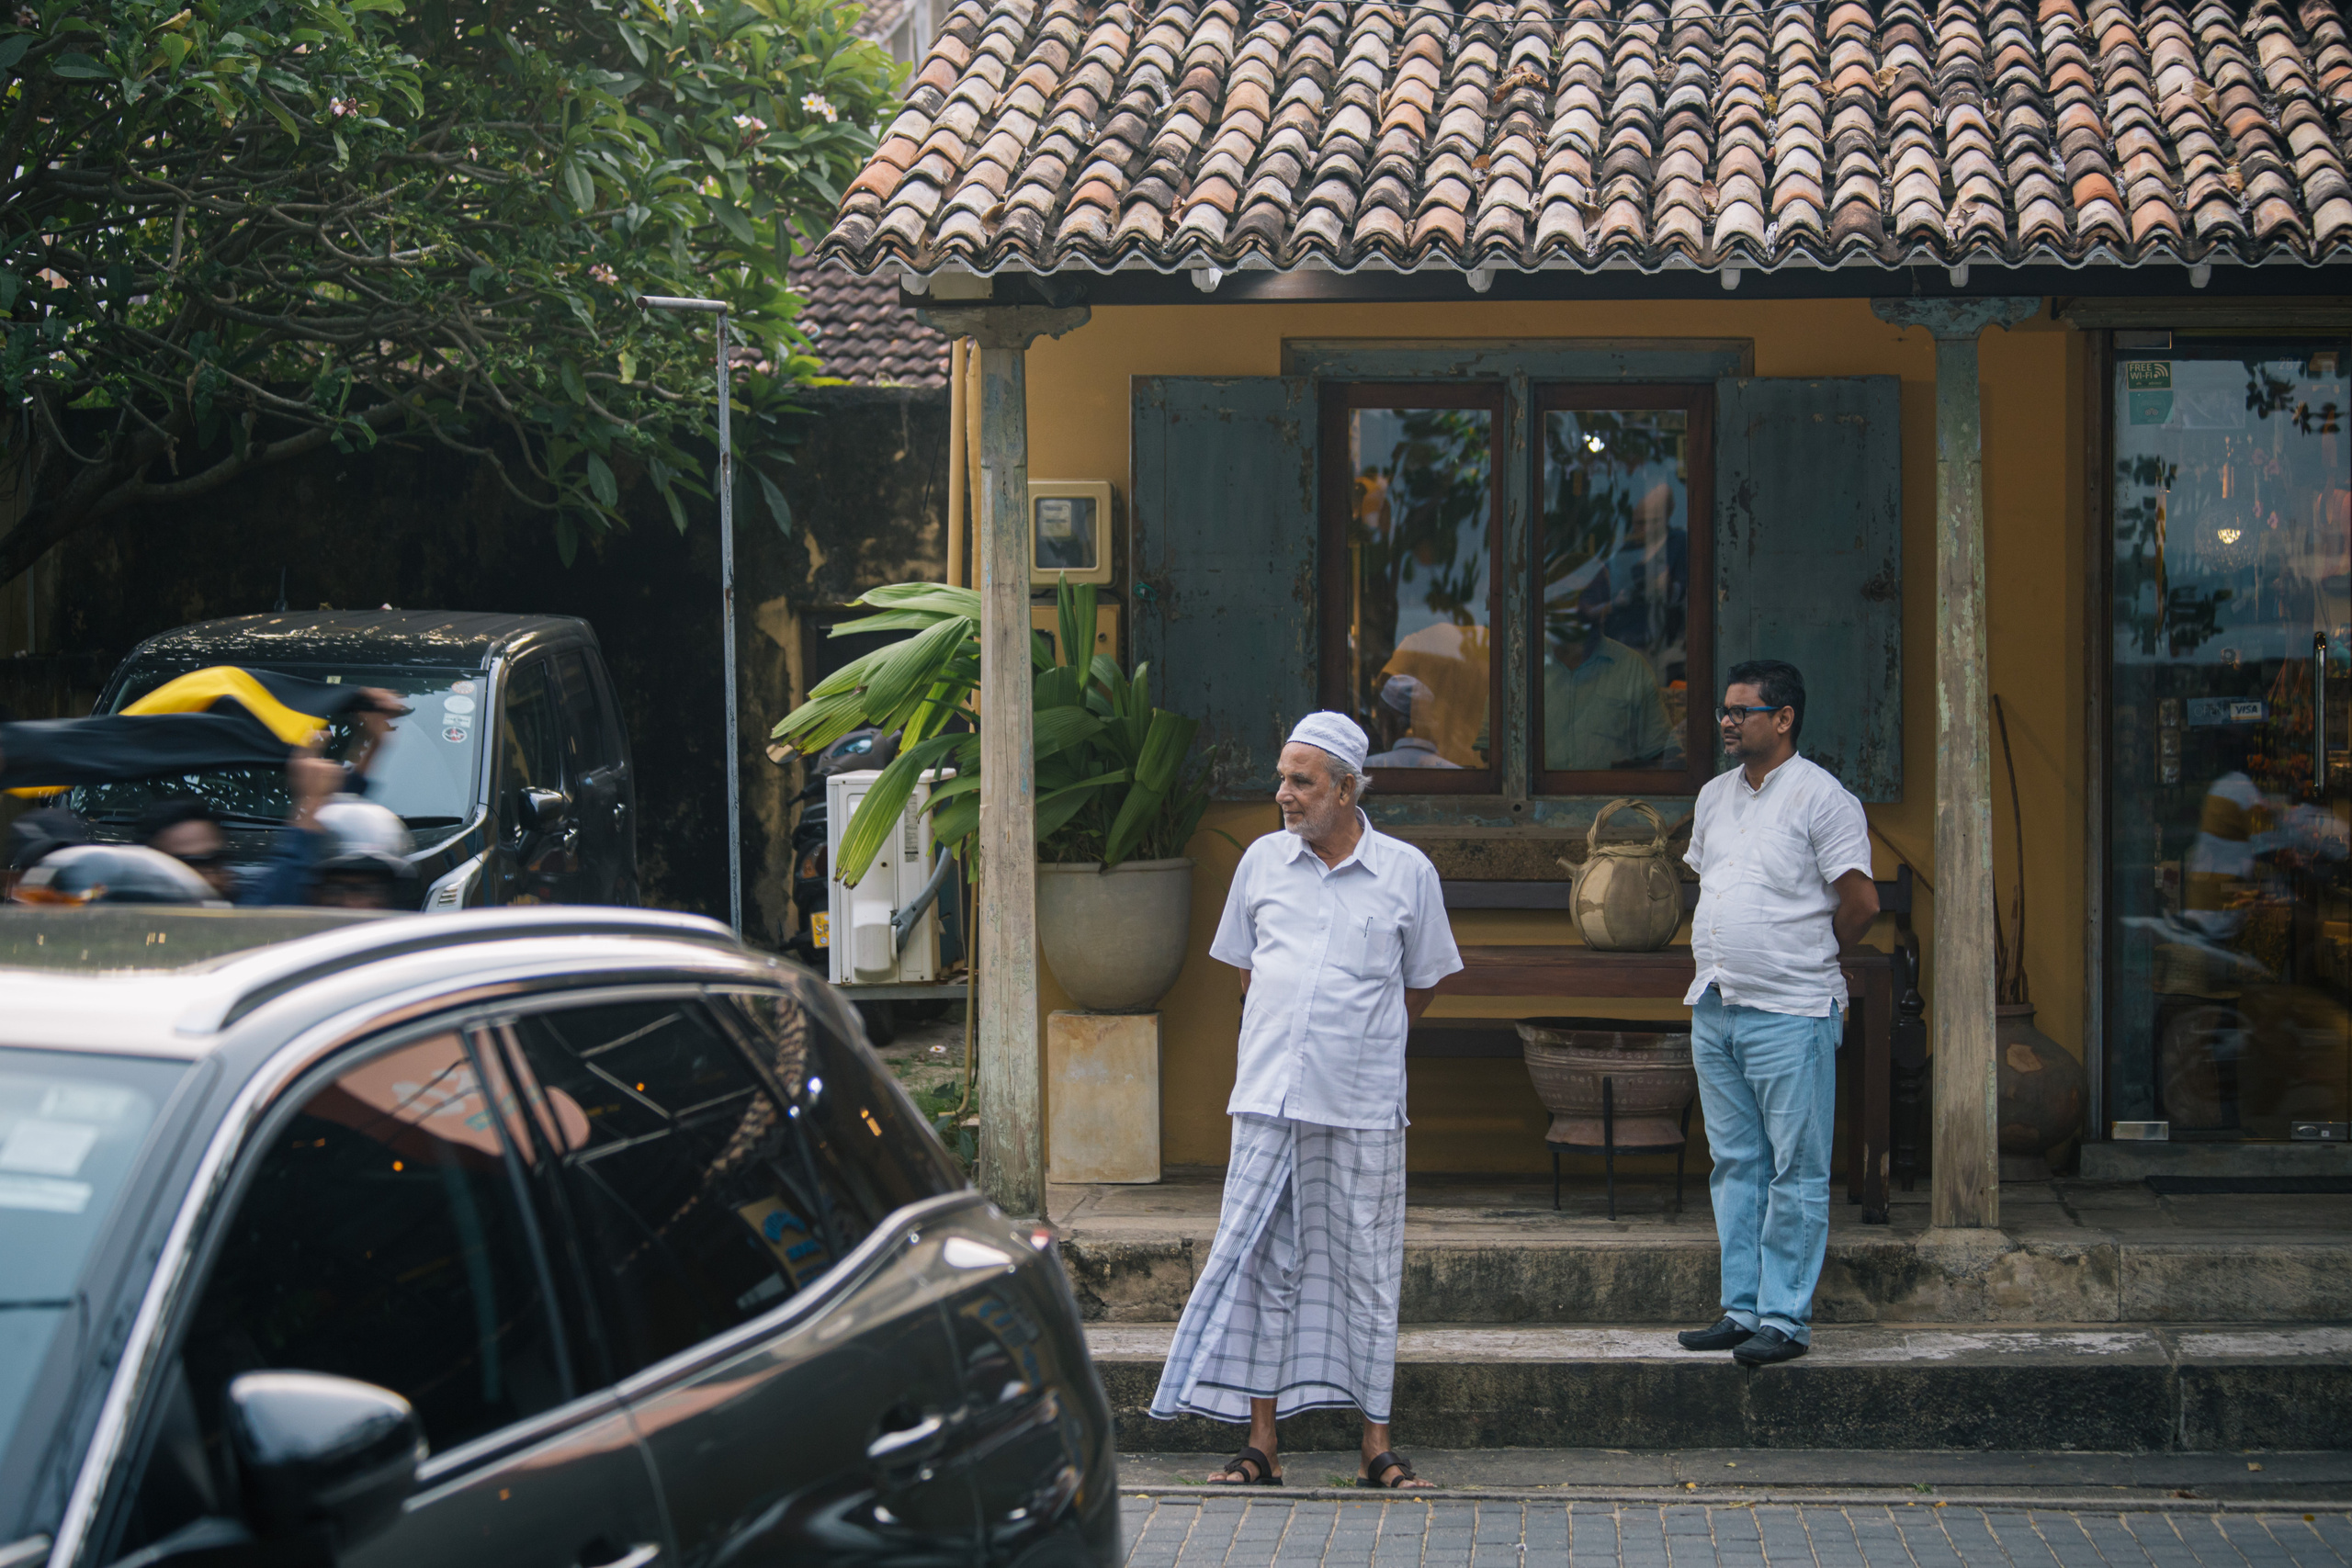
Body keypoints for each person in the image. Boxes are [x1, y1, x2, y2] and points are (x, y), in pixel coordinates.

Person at [1148, 711, 1462, 1489]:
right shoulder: (1261, 861)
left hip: (1361, 1104)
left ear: (1347, 789)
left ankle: (1375, 1446)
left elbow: (1419, 985)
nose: (1282, 793)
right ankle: (1262, 1445)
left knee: (1365, 1266)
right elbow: (1249, 973)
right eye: (1282, 777)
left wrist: (1358, 1041)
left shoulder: (1406, 872)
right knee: (1261, 1260)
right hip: (1266, 1097)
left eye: (1301, 781)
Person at [1675, 660, 1878, 1367]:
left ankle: (1785, 1318)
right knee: (1735, 1162)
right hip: (1718, 1003)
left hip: (1792, 1008)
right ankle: (1741, 1308)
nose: (1727, 721)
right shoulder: (1713, 796)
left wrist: (1807, 953)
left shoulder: (1823, 799)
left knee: (1796, 1167)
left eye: (1742, 711)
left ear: (1783, 717)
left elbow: (1860, 902)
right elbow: (1716, 885)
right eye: (1725, 710)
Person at [1541, 567, 1672, 771]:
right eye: (1566, 597)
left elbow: (1659, 756)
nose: (1577, 607)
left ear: (1605, 606)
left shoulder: (1632, 669)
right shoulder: (1523, 670)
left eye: (1589, 596)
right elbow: (1493, 754)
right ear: (1549, 606)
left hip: (1615, 800)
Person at [1363, 674, 1461, 769]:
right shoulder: (1455, 772)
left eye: (1379, 717)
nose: (1378, 726)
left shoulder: (1370, 767)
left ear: (1388, 719)